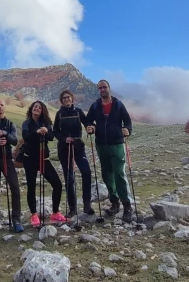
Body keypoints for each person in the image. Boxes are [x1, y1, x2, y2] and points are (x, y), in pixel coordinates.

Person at [85, 79, 134, 223]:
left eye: (104, 87)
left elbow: (128, 121)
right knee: (107, 175)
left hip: (117, 144)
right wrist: (90, 127)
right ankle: (114, 203)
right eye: (99, 88)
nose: (102, 90)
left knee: (119, 174)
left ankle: (127, 206)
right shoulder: (95, 106)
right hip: (101, 145)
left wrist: (128, 130)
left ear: (109, 88)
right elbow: (88, 121)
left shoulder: (118, 104)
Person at [22, 100, 67, 227]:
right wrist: (36, 132)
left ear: (42, 111)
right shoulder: (26, 123)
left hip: (43, 158)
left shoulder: (46, 123)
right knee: (31, 187)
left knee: (57, 184)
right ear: (31, 109)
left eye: (39, 108)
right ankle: (34, 215)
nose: (37, 109)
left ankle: (55, 212)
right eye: (35, 106)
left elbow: (52, 136)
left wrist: (46, 131)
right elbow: (26, 137)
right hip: (30, 158)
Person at [53, 89, 94, 218]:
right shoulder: (59, 114)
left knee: (86, 172)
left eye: (68, 97)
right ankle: (72, 208)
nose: (66, 99)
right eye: (64, 98)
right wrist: (64, 138)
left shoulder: (78, 111)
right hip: (64, 148)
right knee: (69, 178)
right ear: (61, 100)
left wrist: (89, 128)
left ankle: (87, 204)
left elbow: (87, 122)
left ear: (72, 98)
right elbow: (55, 131)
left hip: (78, 146)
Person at [0, 99, 24, 233]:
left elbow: (14, 141)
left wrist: (6, 134)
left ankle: (16, 220)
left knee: (15, 188)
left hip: (7, 159)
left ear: (5, 107)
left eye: (2, 105)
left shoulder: (10, 124)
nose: (0, 107)